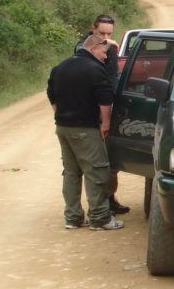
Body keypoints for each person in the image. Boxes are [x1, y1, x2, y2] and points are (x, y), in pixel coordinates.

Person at [47, 34, 124, 231]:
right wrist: (105, 123)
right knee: (97, 170)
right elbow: (105, 100)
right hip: (85, 129)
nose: (106, 57)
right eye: (104, 52)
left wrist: (61, 116)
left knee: (71, 172)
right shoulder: (95, 70)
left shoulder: (60, 67)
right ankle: (100, 218)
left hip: (63, 128)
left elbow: (51, 95)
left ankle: (72, 218)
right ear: (93, 48)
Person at [75, 14, 130, 216]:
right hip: (87, 112)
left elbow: (113, 80)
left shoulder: (112, 49)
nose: (105, 37)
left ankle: (108, 199)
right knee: (90, 162)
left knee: (109, 159)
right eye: (101, 33)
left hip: (105, 108)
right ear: (93, 29)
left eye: (109, 33)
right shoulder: (83, 47)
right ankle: (96, 207)